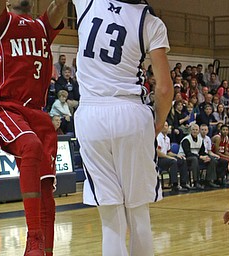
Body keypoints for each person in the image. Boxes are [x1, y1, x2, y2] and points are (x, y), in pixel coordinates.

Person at [72, 1, 173, 255]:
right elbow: (163, 89)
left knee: (110, 216)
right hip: (131, 113)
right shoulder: (150, 21)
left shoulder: (89, 2)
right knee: (138, 212)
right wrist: (157, 125)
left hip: (90, 115)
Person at [0, 1, 67, 256]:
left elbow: (59, 5)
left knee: (47, 192)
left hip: (37, 113)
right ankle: (33, 238)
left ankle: (46, 252)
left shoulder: (42, 25)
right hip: (6, 107)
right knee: (30, 145)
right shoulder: (3, 22)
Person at [156, 121, 190, 192]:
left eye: (166, 126)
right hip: (158, 159)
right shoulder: (158, 137)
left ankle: (184, 183)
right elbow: (158, 152)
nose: (166, 127)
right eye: (164, 125)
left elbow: (169, 152)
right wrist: (169, 157)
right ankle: (174, 185)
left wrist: (177, 155)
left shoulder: (167, 138)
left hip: (165, 158)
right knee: (173, 161)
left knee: (182, 160)